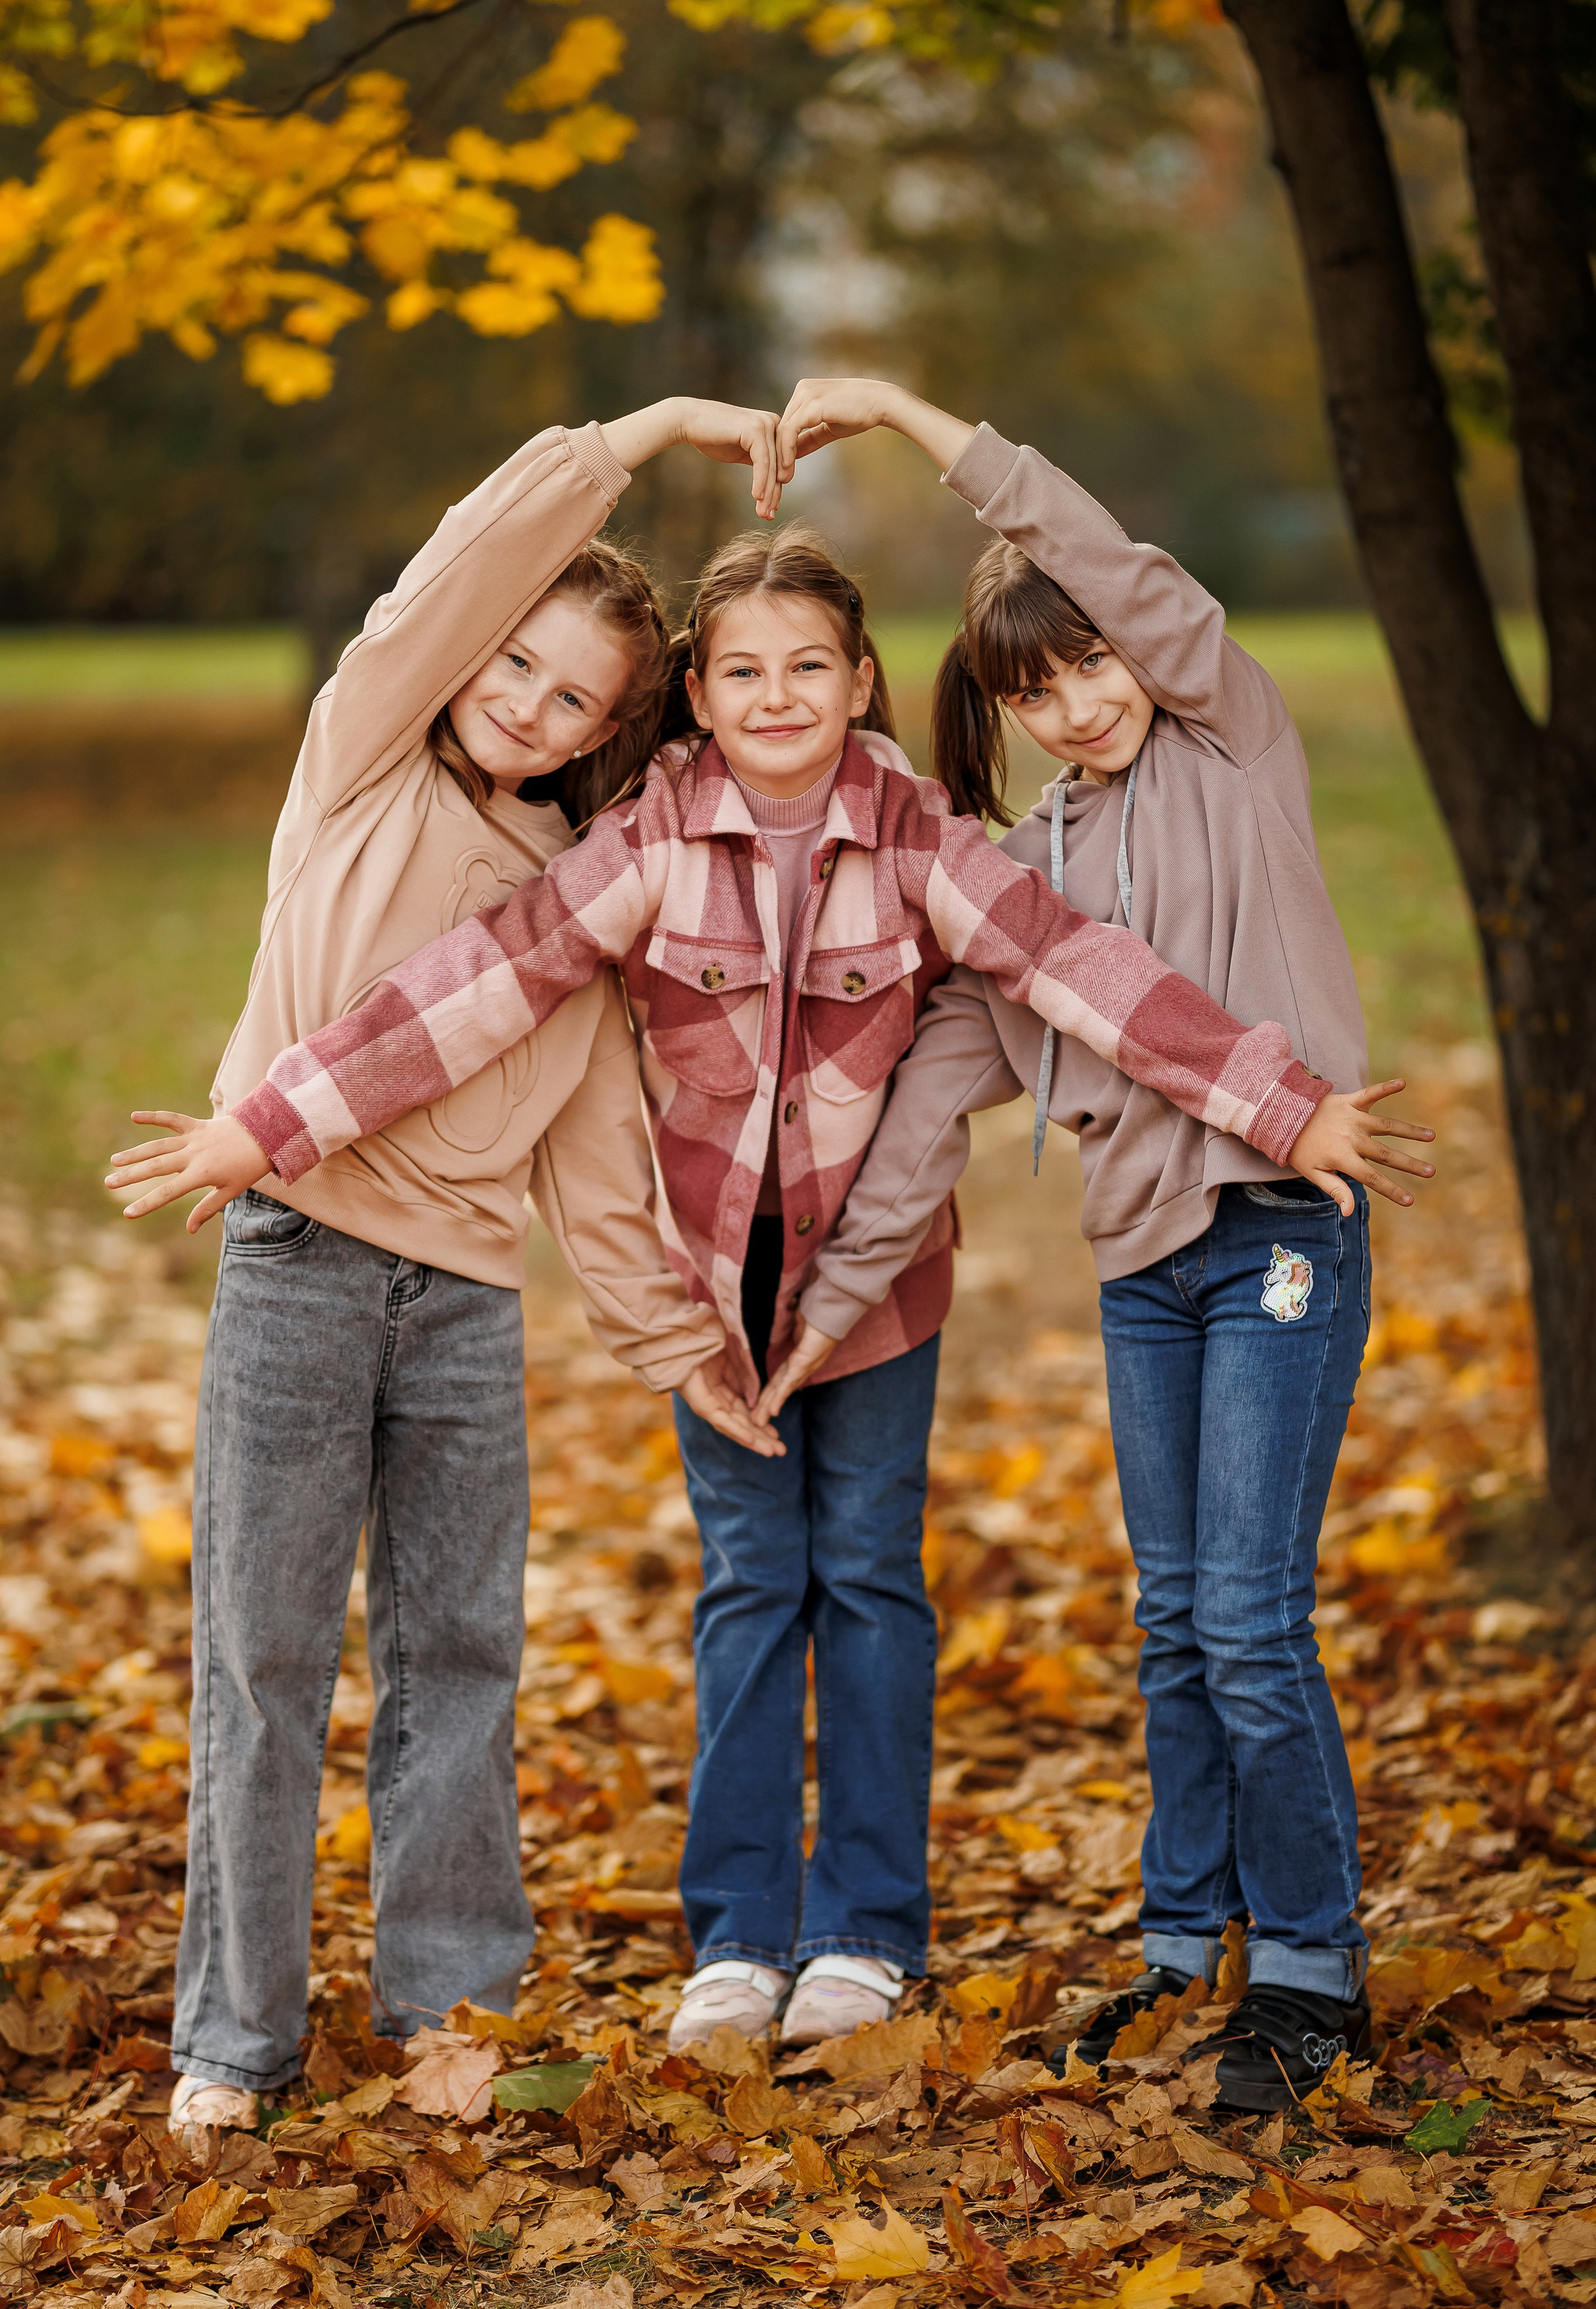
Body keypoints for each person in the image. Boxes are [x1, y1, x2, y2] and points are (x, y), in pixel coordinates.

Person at [112, 424, 1416, 2060]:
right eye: (742, 670)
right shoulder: (646, 842)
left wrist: (1283, 1105)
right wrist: (273, 1120)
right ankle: (735, 1936)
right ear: (697, 695)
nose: (778, 694)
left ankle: (865, 1929)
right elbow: (475, 986)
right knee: (746, 1590)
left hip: (882, 1292)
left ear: (863, 683)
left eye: (811, 665)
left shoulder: (926, 838)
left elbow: (1085, 971)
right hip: (715, 1298)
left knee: (869, 1582)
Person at [104, 397, 791, 2147]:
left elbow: (597, 1164)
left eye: (575, 700)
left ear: (610, 733)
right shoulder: (360, 760)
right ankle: (236, 2039)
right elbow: (449, 581)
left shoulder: (580, 903)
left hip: (464, 1311)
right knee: (264, 1662)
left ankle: (450, 2012)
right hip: (299, 1264)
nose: (528, 706)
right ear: (471, 646)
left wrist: (678, 1347)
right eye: (516, 662)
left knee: (464, 1661)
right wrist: (635, 435)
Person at [767, 377, 1437, 2113]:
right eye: (1034, 690)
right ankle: (1178, 1945)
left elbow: (1107, 560)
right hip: (1146, 1272)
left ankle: (1310, 1975)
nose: (1078, 705)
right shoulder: (1025, 877)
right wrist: (822, 1308)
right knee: (1177, 1622)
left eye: (1091, 663)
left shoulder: (1236, 747)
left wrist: (909, 419)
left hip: (1283, 1238)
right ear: (1000, 710)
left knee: (1254, 1624)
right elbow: (928, 1106)